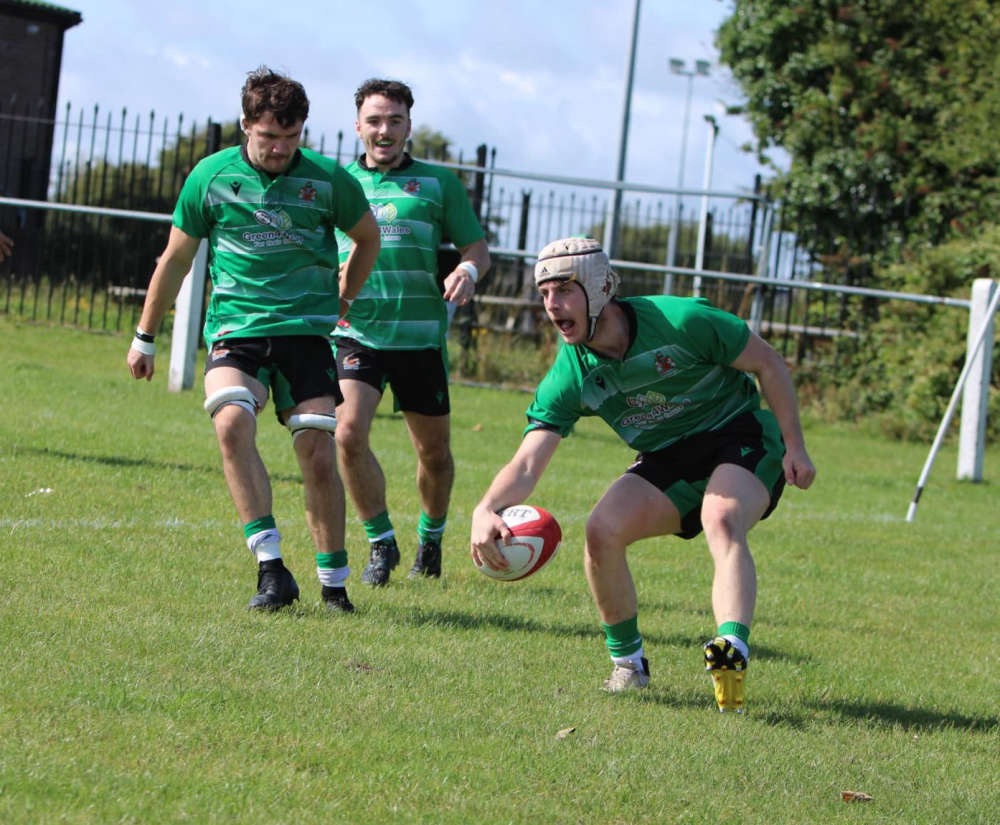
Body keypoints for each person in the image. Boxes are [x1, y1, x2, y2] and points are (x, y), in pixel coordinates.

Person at [470, 237, 815, 711]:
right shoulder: (572, 373)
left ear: (601, 288)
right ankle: (629, 666)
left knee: (721, 518)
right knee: (602, 530)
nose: (552, 305)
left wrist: (795, 446)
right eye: (544, 293)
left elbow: (768, 362)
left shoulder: (681, 321)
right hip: (667, 455)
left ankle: (731, 648)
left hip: (739, 433)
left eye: (564, 290)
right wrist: (485, 508)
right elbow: (529, 460)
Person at [126, 67, 380, 613]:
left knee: (316, 451)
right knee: (231, 420)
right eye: (269, 137)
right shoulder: (209, 176)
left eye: (291, 138)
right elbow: (174, 260)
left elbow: (367, 238)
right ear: (245, 125)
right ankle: (271, 570)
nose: (280, 149)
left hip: (304, 336)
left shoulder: (328, 180)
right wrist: (145, 336)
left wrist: (344, 299)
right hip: (236, 332)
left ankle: (334, 587)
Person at [333, 78, 490, 587]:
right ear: (358, 126)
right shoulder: (335, 183)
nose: (384, 130)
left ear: (408, 127)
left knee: (435, 455)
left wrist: (466, 271)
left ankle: (432, 537)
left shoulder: (438, 184)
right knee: (348, 434)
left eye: (394, 121)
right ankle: (381, 542)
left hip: (420, 338)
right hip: (356, 332)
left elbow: (476, 248)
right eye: (374, 120)